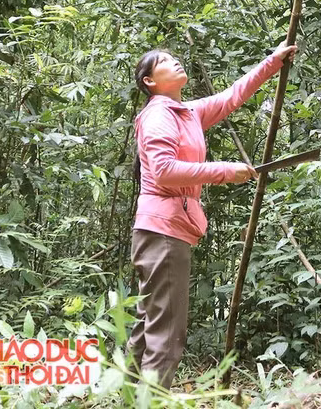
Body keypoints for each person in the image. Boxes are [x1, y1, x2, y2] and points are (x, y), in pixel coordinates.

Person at [127, 41, 297, 389]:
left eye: (175, 58)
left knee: (149, 323)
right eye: (165, 62)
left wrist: (273, 61)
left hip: (161, 230)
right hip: (164, 233)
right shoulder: (159, 114)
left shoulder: (184, 112)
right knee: (167, 333)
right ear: (149, 82)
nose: (175, 62)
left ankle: (129, 396)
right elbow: (163, 171)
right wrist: (223, 170)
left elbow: (231, 97)